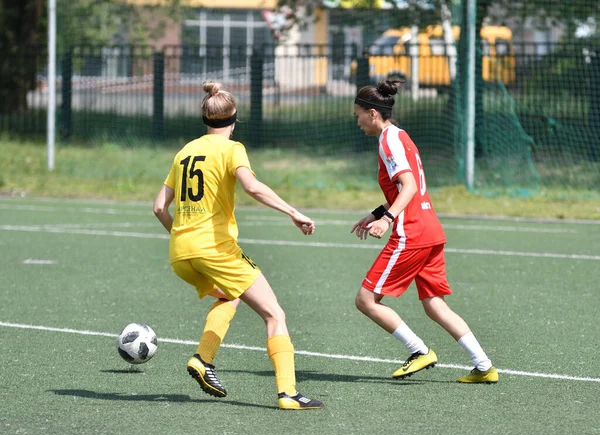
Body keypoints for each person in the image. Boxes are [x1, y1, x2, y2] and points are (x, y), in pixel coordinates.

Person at [153, 81, 324, 409]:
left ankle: (203, 358)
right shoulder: (232, 149)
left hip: (180, 253)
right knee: (275, 314)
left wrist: (182, 235)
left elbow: (159, 207)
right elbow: (253, 187)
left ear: (205, 119)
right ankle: (288, 393)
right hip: (215, 250)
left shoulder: (184, 151)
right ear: (233, 119)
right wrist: (292, 211)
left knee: (229, 297)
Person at [350, 79, 498, 384]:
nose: (358, 122)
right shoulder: (401, 136)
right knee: (434, 304)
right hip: (430, 229)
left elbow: (410, 186)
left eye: (358, 115)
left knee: (365, 300)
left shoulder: (388, 140)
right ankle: (484, 366)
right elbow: (407, 188)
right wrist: (377, 212)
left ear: (373, 114)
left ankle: (419, 351)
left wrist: (387, 219)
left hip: (412, 233)